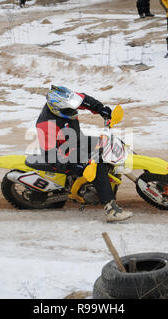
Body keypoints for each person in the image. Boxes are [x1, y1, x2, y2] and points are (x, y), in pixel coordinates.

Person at [35, 85, 133, 223]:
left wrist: (101, 109)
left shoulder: (66, 98)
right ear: (57, 109)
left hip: (75, 140)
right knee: (98, 165)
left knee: (108, 143)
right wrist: (78, 166)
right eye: (69, 109)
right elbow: (51, 157)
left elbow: (85, 99)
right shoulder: (46, 125)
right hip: (64, 154)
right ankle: (111, 210)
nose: (74, 109)